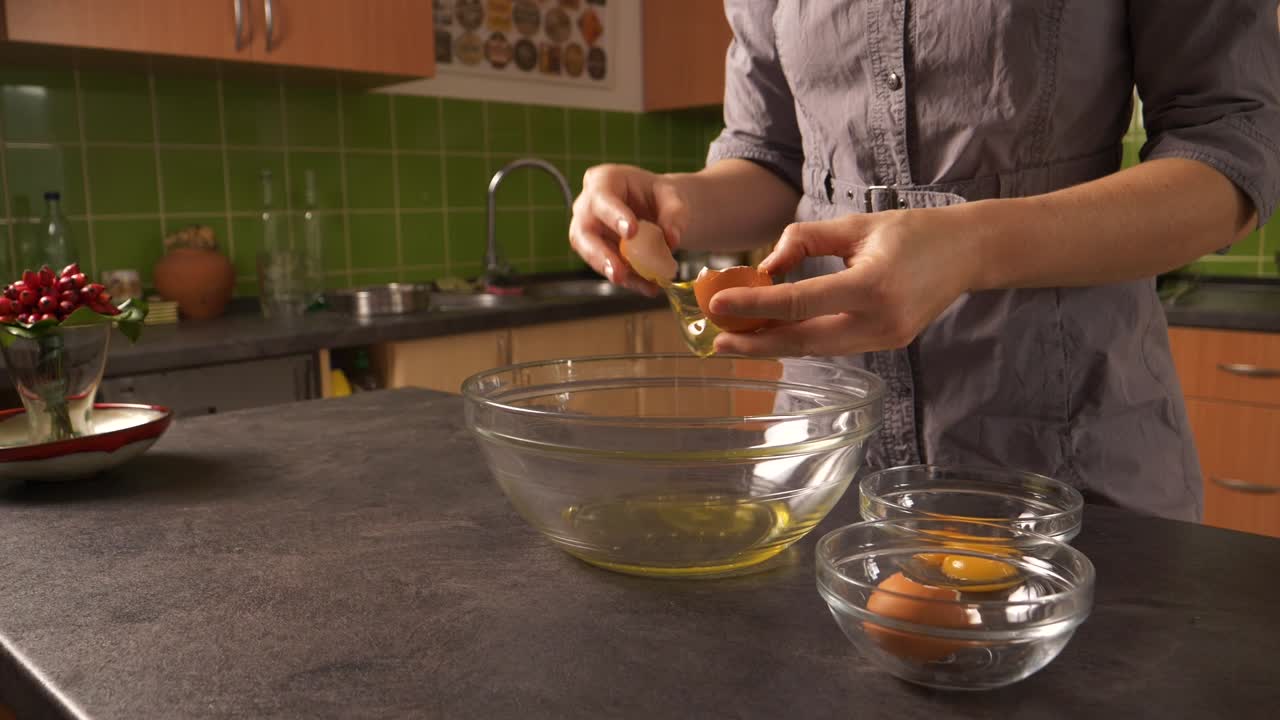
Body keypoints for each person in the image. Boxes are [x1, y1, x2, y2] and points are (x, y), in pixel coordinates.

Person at [568, 1, 1280, 521]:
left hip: (1063, 454)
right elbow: (775, 157)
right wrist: (675, 200)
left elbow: (1234, 148)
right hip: (825, 459)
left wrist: (970, 245)